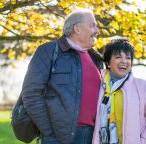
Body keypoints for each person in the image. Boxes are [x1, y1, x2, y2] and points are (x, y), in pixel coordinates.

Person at [21, 8, 103, 144]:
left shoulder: (96, 58)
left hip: (91, 136)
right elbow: (31, 94)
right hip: (58, 137)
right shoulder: (49, 51)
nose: (97, 30)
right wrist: (49, 131)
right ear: (77, 28)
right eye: (92, 25)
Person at [92, 39, 146, 144]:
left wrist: (143, 142)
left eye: (128, 58)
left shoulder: (144, 87)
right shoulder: (97, 86)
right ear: (108, 62)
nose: (124, 61)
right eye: (118, 57)